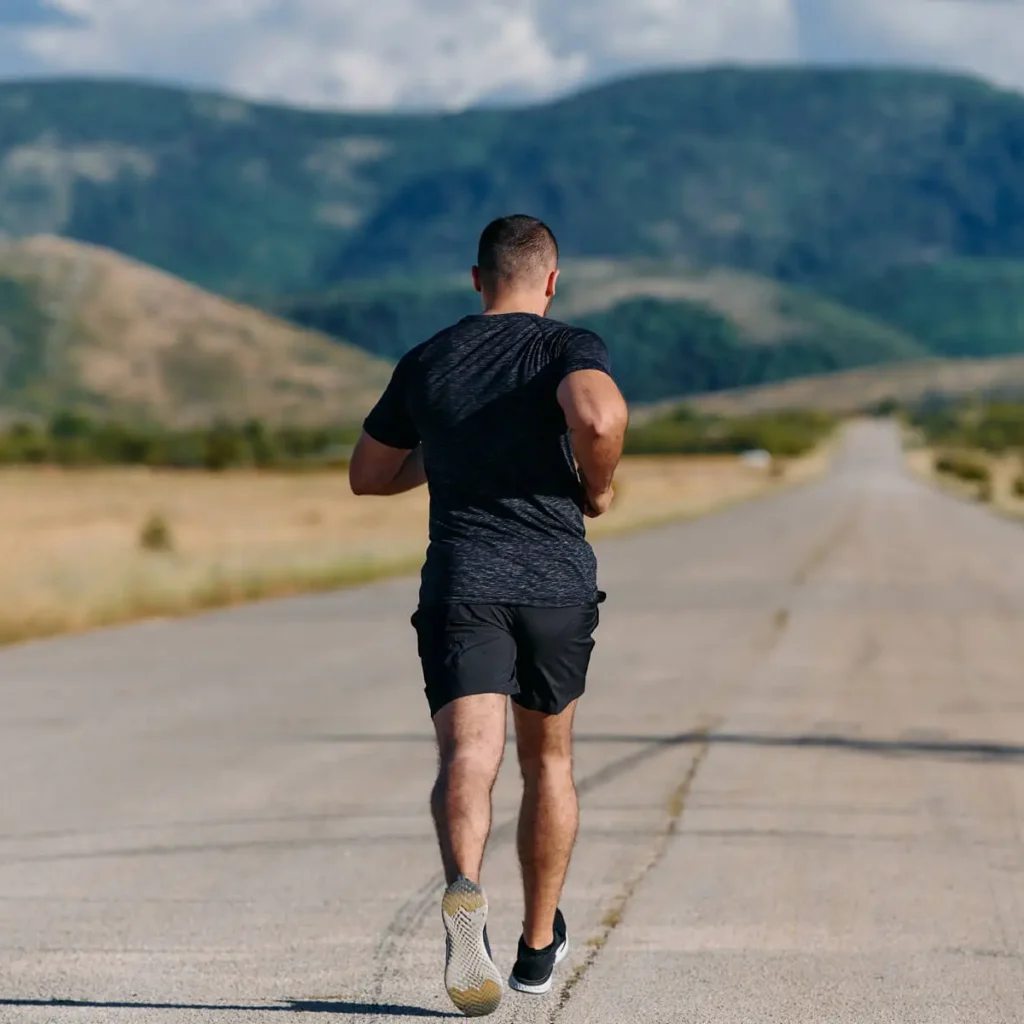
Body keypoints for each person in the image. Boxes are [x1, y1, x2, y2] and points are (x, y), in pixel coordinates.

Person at [348, 214, 628, 1017]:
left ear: (476, 279)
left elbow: (368, 475)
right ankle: (537, 948)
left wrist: (448, 444)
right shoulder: (566, 346)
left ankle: (464, 886)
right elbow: (598, 416)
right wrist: (598, 488)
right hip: (554, 585)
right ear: (552, 280)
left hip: (462, 582)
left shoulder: (429, 359)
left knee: (469, 753)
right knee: (550, 764)